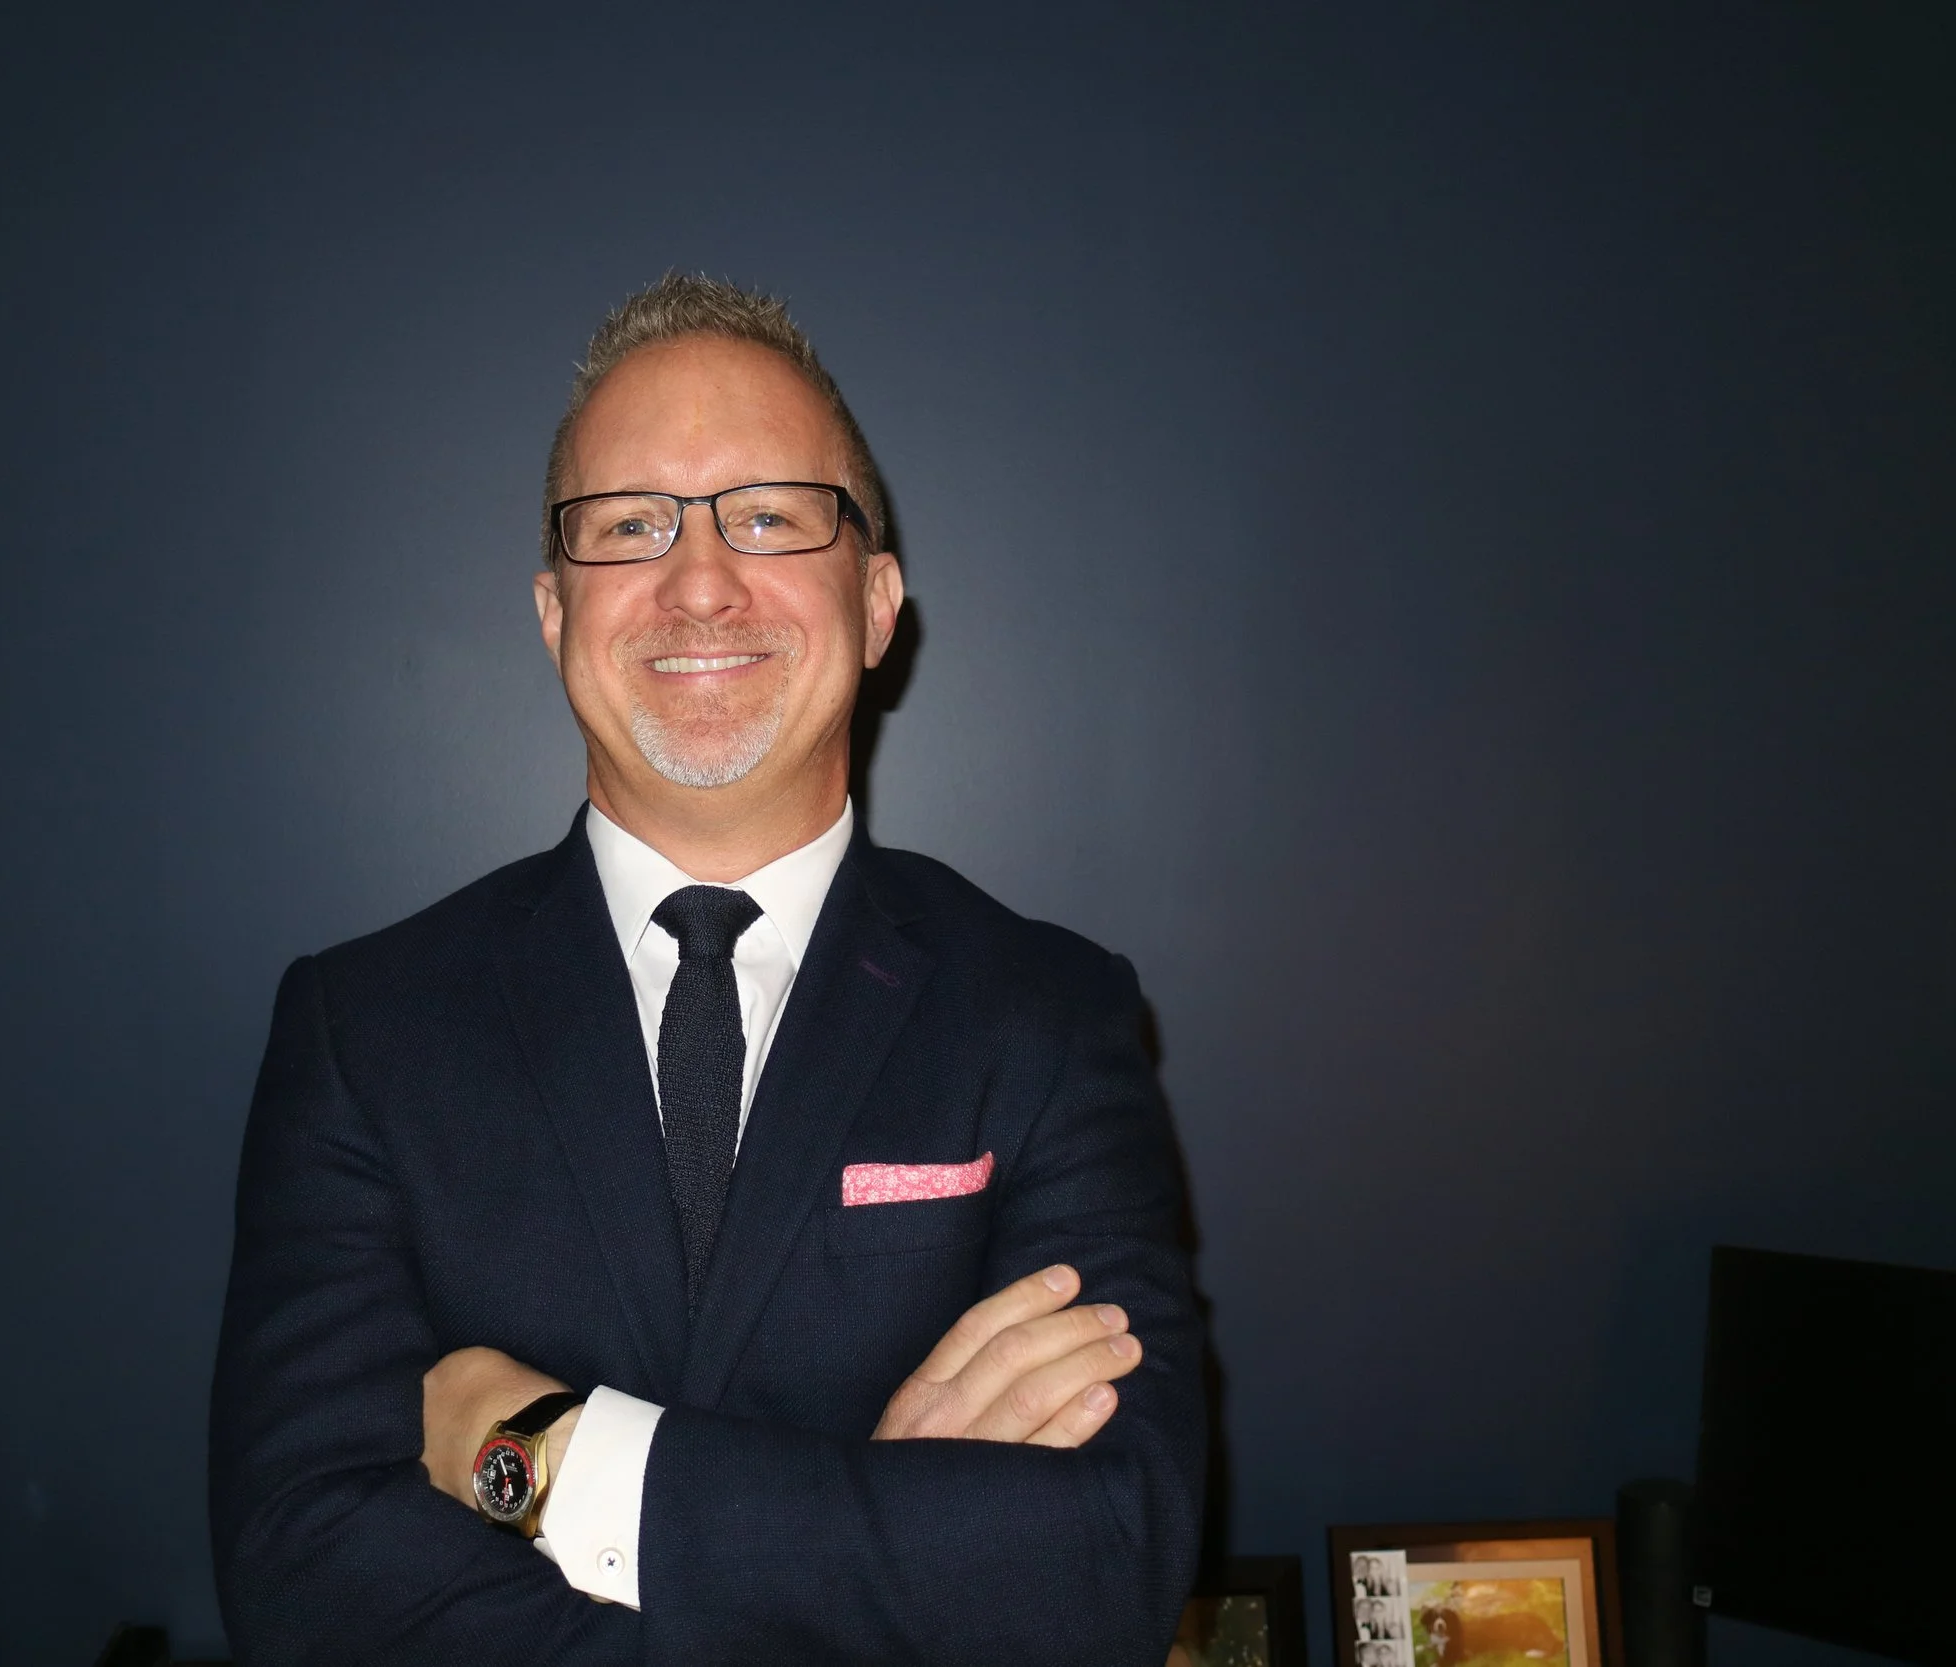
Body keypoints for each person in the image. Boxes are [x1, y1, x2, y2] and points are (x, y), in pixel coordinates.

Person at [208, 274, 1207, 1665]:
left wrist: (555, 1459)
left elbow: (1104, 1562)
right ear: (556, 617)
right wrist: (892, 1517)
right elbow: (306, 1574)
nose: (697, 579)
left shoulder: (1050, 1014)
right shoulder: (361, 1030)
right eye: (629, 526)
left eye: (768, 514)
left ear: (875, 603)